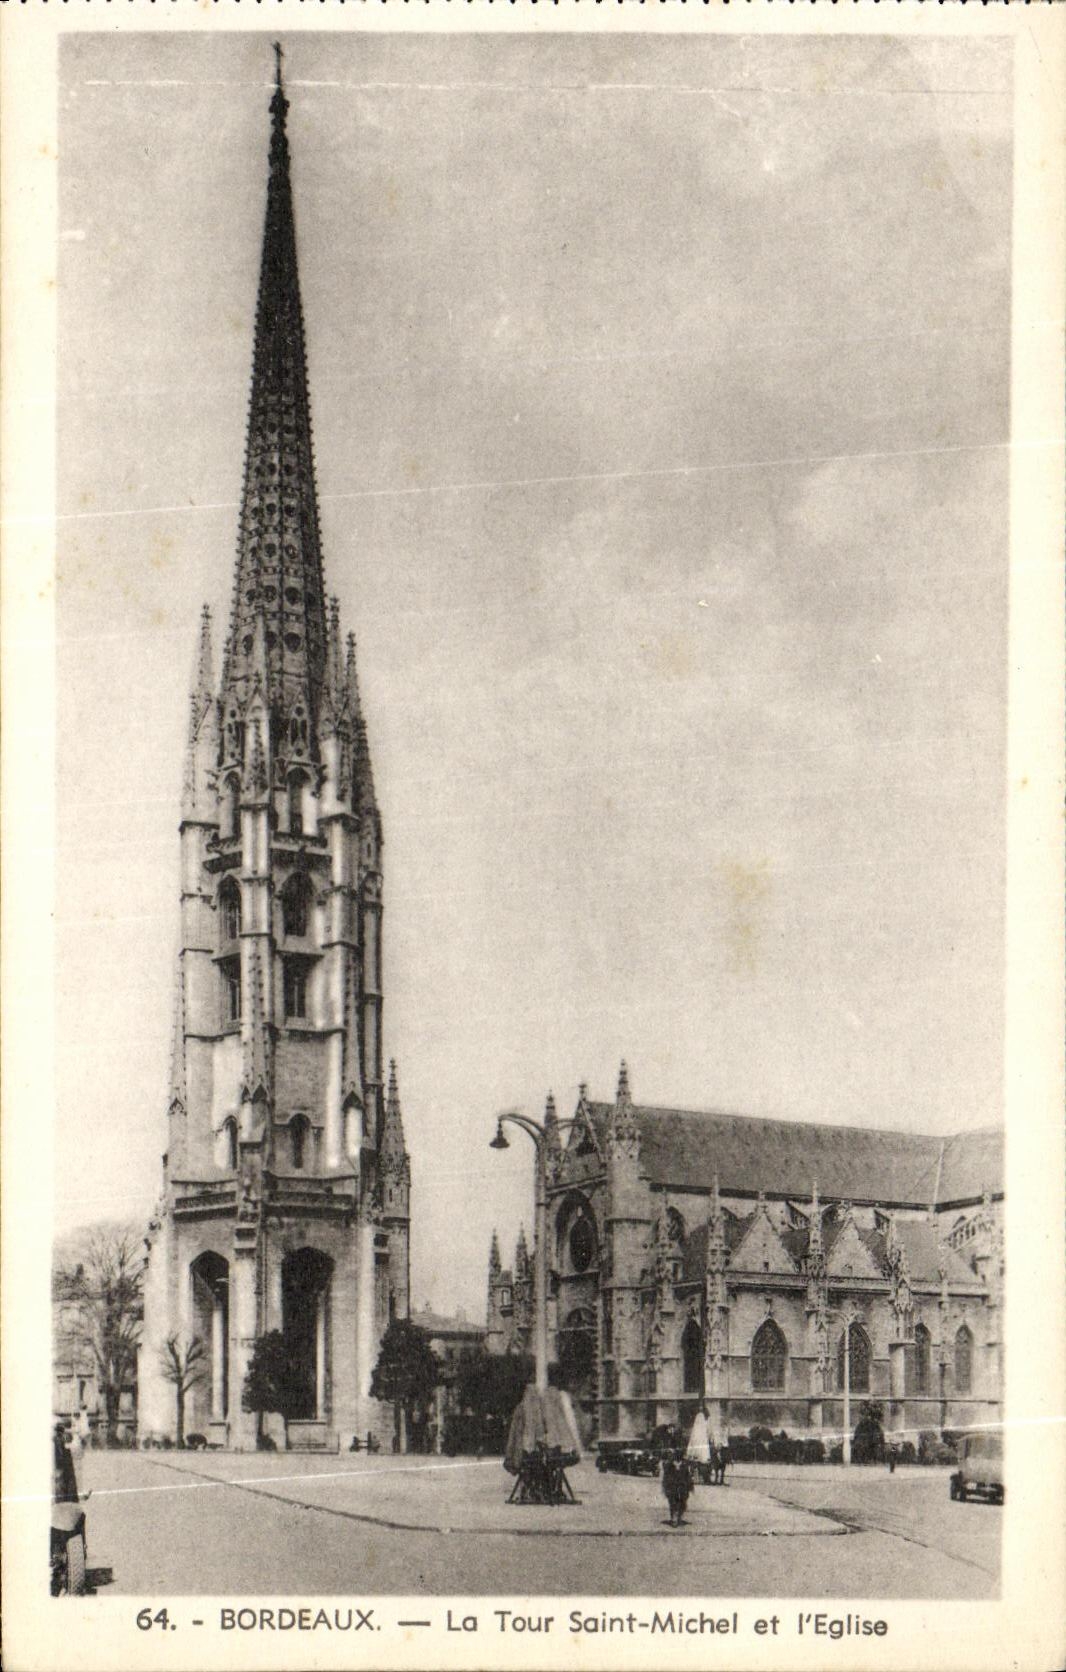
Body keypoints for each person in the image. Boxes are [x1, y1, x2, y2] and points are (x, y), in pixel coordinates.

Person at [661, 1450, 692, 1528]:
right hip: (672, 1487)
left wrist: (689, 1486)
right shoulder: (669, 1465)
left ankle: (679, 1517)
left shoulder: (685, 1464)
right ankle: (674, 1519)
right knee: (673, 1503)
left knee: (682, 1504)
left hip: (682, 1488)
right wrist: (666, 1487)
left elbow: (688, 1476)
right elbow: (666, 1477)